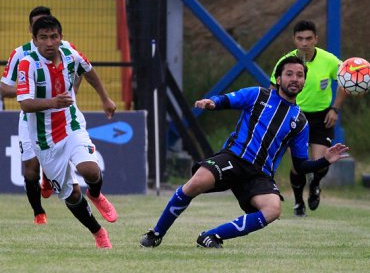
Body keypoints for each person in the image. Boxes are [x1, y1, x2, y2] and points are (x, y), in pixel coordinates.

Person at [139, 56, 349, 248]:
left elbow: (301, 165)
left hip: (260, 174)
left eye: (300, 75)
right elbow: (228, 100)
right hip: (234, 158)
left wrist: (325, 160)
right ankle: (156, 233)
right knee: (196, 182)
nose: (295, 79)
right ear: (278, 78)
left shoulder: (300, 122)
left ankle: (211, 236)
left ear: (304, 82)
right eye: (289, 74)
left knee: (273, 209)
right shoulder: (258, 95)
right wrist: (212, 103)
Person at [17, 15, 118, 249]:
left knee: (90, 170)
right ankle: (98, 232)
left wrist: (105, 98)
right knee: (71, 195)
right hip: (43, 139)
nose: (49, 42)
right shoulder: (28, 64)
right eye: (43, 38)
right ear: (35, 40)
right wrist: (53, 102)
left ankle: (95, 194)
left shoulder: (71, 54)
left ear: (60, 37)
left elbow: (90, 71)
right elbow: (25, 104)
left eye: (54, 37)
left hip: (71, 124)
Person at [0, 6, 81, 224]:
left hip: (58, 115)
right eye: (39, 27)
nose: (48, 39)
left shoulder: (65, 50)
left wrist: (72, 91)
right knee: (30, 171)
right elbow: (3, 87)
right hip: (30, 117)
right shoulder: (20, 53)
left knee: (64, 157)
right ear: (32, 31)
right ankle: (38, 211)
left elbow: (81, 69)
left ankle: (56, 178)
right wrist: (29, 91)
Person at [270, 20, 347, 217]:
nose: (304, 43)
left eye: (308, 38)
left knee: (321, 161)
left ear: (316, 39)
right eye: (300, 39)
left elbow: (346, 81)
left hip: (322, 117)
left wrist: (335, 109)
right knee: (299, 166)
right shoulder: (284, 62)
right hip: (295, 116)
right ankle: (298, 203)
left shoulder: (329, 60)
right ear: (294, 40)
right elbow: (273, 90)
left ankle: (315, 185)